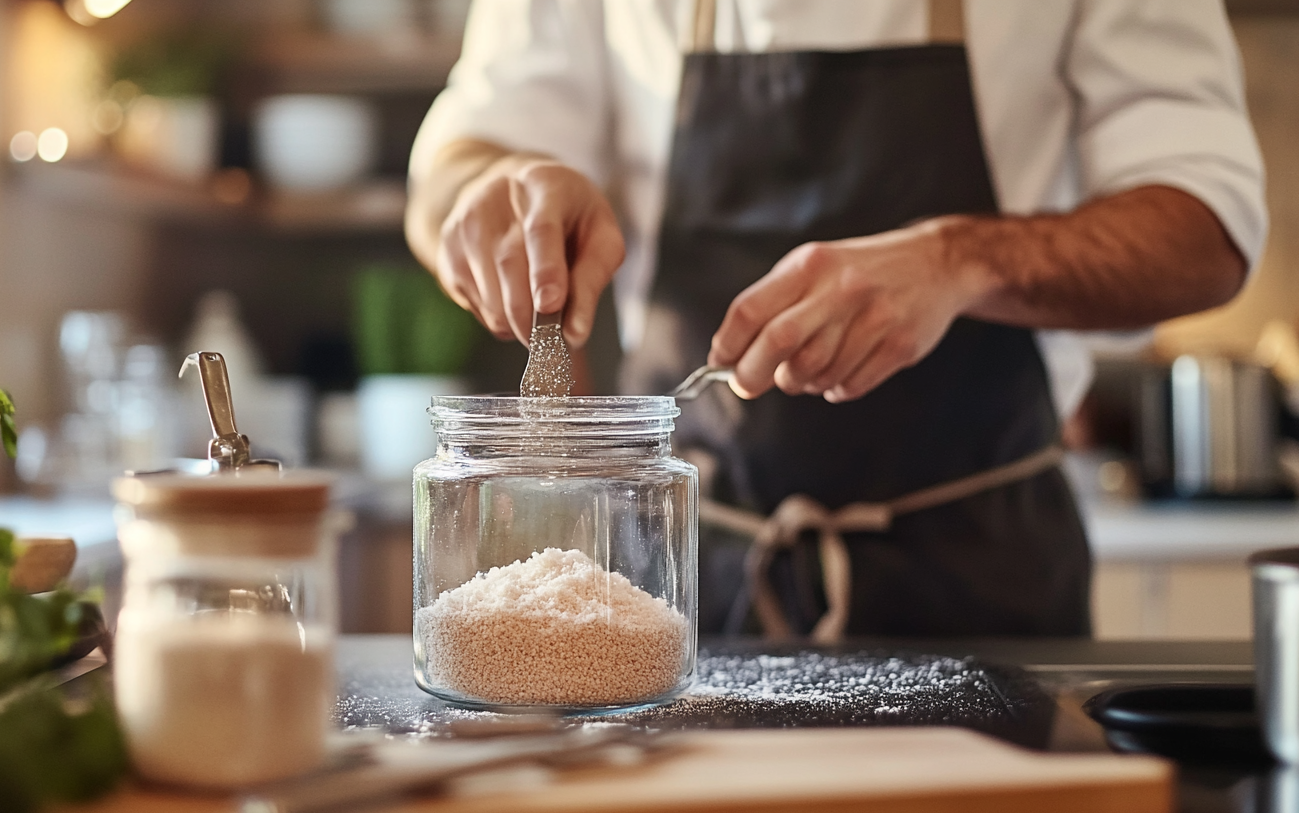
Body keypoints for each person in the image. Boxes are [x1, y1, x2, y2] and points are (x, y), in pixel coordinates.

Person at [404, 0, 1267, 639]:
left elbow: (1210, 231)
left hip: (987, 584)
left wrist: (961, 258)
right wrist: (492, 188)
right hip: (677, 588)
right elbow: (456, 167)